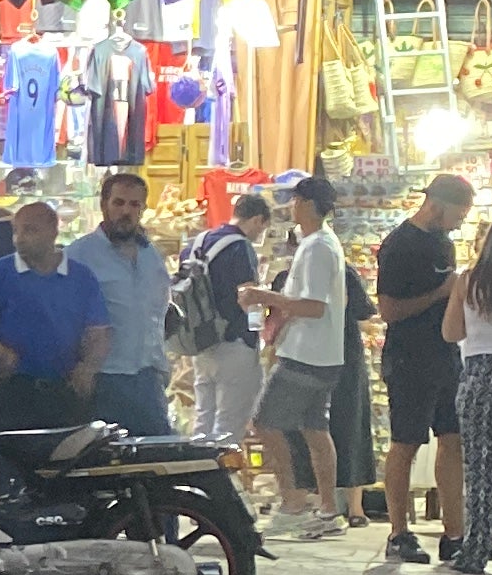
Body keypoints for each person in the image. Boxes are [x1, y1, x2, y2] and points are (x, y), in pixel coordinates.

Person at [377, 168, 475, 562]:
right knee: (406, 443)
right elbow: (389, 310)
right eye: (459, 214)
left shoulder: (443, 244)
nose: (460, 223)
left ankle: (455, 534)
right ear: (436, 205)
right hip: (408, 358)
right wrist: (441, 292)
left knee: (453, 440)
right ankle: (399, 533)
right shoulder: (400, 245)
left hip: (445, 355)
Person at [256, 172, 356, 540]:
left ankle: (293, 501)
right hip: (323, 354)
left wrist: (264, 297)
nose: (291, 206)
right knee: (315, 429)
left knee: (266, 422)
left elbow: (313, 306)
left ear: (309, 205)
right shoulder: (322, 244)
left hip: (306, 355)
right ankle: (328, 510)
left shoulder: (317, 248)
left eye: (295, 200)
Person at [0, 202, 110, 445]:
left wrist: (88, 367)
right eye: (16, 231)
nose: (19, 239)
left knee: (64, 471)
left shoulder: (81, 276)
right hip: (14, 390)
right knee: (11, 467)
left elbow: (99, 333)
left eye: (30, 230)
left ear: (53, 230)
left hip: (65, 390)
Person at [68, 169, 174, 436]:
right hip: (102, 378)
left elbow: (156, 313)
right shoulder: (79, 256)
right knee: (105, 466)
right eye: (119, 203)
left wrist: (160, 367)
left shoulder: (152, 257)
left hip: (146, 378)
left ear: (143, 209)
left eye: (134, 204)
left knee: (158, 458)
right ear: (104, 205)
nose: (126, 211)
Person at [444, 206, 492, 575]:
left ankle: (475, 551)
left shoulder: (467, 280)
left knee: (482, 470)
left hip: (482, 375)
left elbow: (451, 333)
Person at [177, 194, 270, 455]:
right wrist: (257, 332)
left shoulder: (196, 243)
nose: (260, 233)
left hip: (200, 342)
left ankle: (197, 474)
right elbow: (248, 297)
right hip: (234, 341)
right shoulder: (240, 247)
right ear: (256, 220)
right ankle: (221, 482)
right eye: (262, 227)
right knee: (228, 426)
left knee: (203, 419)